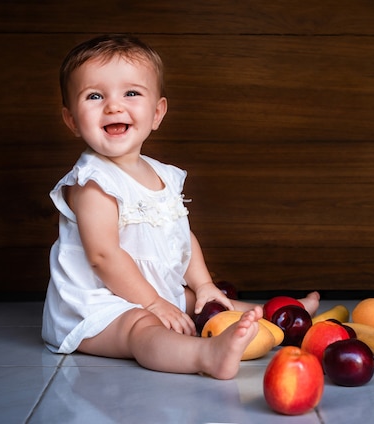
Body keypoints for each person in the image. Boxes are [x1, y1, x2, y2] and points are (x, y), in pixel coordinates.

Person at [42, 34, 320, 380]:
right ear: (71, 119)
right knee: (140, 327)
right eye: (95, 96)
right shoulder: (93, 182)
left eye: (131, 93)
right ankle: (205, 355)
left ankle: (283, 317)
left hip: (151, 289)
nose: (113, 106)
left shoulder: (162, 174)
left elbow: (180, 234)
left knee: (205, 302)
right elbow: (104, 257)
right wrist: (154, 304)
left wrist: (204, 285)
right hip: (99, 305)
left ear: (157, 113)